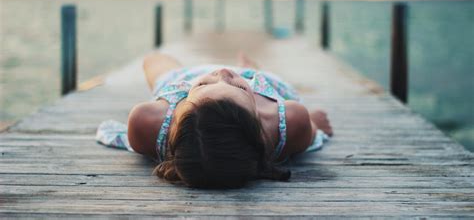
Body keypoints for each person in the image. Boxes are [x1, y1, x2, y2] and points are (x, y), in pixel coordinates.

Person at [122, 52, 332, 189]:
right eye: (240, 90)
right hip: (259, 82)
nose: (223, 72)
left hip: (189, 77)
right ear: (258, 118)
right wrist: (312, 123)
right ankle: (250, 69)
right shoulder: (288, 119)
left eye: (201, 88)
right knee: (255, 73)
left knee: (154, 60)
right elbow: (309, 128)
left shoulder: (147, 121)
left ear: (183, 105)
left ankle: (224, 80)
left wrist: (208, 83)